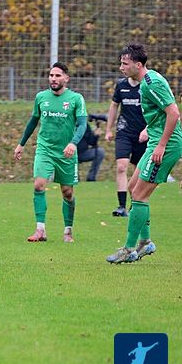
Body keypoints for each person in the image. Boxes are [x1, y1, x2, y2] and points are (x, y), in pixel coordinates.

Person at [106, 44, 181, 264]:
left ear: (138, 65)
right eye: (121, 63)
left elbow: (174, 113)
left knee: (139, 195)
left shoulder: (151, 83)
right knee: (133, 188)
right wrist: (149, 129)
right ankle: (145, 242)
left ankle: (129, 249)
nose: (121, 67)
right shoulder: (147, 81)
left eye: (125, 63)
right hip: (155, 141)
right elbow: (162, 112)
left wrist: (161, 145)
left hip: (165, 145)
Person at [13, 62, 87, 243]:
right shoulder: (41, 97)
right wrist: (21, 144)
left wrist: (73, 143)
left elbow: (82, 124)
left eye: (57, 75)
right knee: (39, 185)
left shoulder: (76, 99)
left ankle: (68, 231)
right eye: (51, 75)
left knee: (67, 192)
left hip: (66, 152)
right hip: (44, 149)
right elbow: (33, 121)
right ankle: (40, 230)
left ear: (66, 78)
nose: (53, 79)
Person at [104, 74, 149, 217]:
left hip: (142, 134)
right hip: (124, 132)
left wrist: (147, 129)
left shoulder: (147, 85)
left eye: (126, 64)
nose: (123, 68)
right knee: (121, 166)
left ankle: (135, 204)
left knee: (138, 170)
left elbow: (157, 111)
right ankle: (121, 206)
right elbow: (114, 105)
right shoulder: (121, 85)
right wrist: (108, 129)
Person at [76, 115, 105, 182]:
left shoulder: (85, 125)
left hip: (83, 153)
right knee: (75, 179)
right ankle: (75, 178)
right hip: (69, 154)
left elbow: (91, 142)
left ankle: (91, 178)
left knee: (100, 152)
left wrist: (95, 135)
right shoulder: (67, 124)